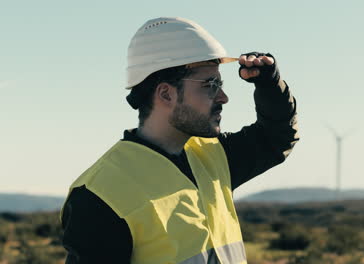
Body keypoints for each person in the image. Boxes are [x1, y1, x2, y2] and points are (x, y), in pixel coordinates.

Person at [61, 17, 299, 264]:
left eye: (221, 84)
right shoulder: (101, 192)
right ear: (166, 93)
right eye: (210, 85)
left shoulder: (213, 156)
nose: (223, 97)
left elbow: (277, 138)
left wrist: (269, 85)